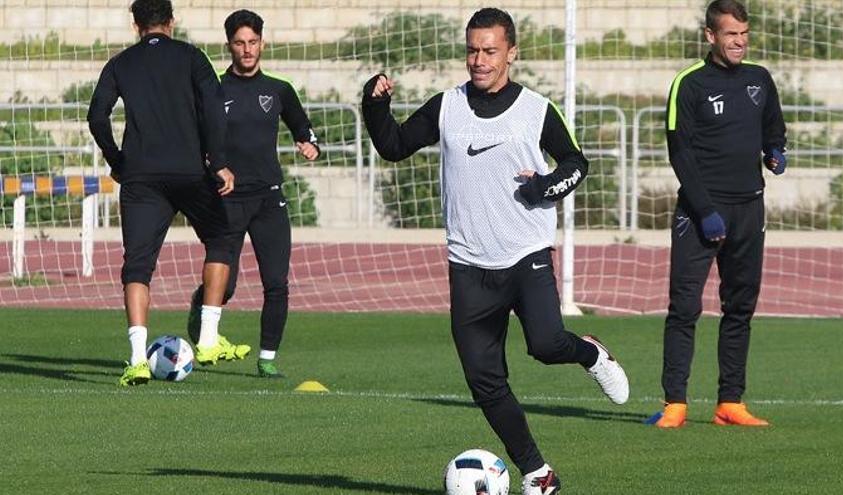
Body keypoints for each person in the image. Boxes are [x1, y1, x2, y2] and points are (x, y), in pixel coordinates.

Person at [361, 7, 629, 494]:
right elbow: (394, 145)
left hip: (526, 256)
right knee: (485, 382)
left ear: (511, 53)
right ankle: (538, 473)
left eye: (489, 50)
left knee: (546, 346)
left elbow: (576, 162)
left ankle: (590, 353)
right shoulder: (446, 106)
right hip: (468, 265)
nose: (479, 60)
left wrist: (546, 187)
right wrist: (374, 106)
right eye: (472, 50)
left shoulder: (536, 109)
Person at [87, 0, 250, 386]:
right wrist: (219, 160)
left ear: (136, 26)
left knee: (138, 265)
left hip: (141, 176)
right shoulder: (192, 58)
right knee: (223, 238)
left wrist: (117, 158)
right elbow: (214, 108)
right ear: (171, 22)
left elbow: (97, 116)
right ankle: (208, 339)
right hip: (191, 171)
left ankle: (136, 360)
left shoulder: (121, 63)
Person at [657, 0, 787, 428]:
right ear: (711, 36)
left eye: (745, 34)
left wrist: (775, 151)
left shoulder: (759, 79)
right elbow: (680, 152)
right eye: (732, 34)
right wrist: (705, 209)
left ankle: (730, 402)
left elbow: (773, 126)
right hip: (701, 212)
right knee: (685, 307)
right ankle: (675, 402)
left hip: (750, 207)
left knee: (740, 306)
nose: (740, 42)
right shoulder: (689, 84)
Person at [186, 9, 320, 378]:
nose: (247, 50)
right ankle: (203, 306)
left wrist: (310, 145)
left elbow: (305, 131)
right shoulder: (212, 90)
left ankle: (267, 358)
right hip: (226, 198)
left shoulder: (278, 90)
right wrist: (211, 170)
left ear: (262, 43)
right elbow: (197, 142)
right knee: (224, 285)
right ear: (229, 45)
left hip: (268, 200)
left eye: (253, 42)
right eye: (240, 43)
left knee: (276, 283)